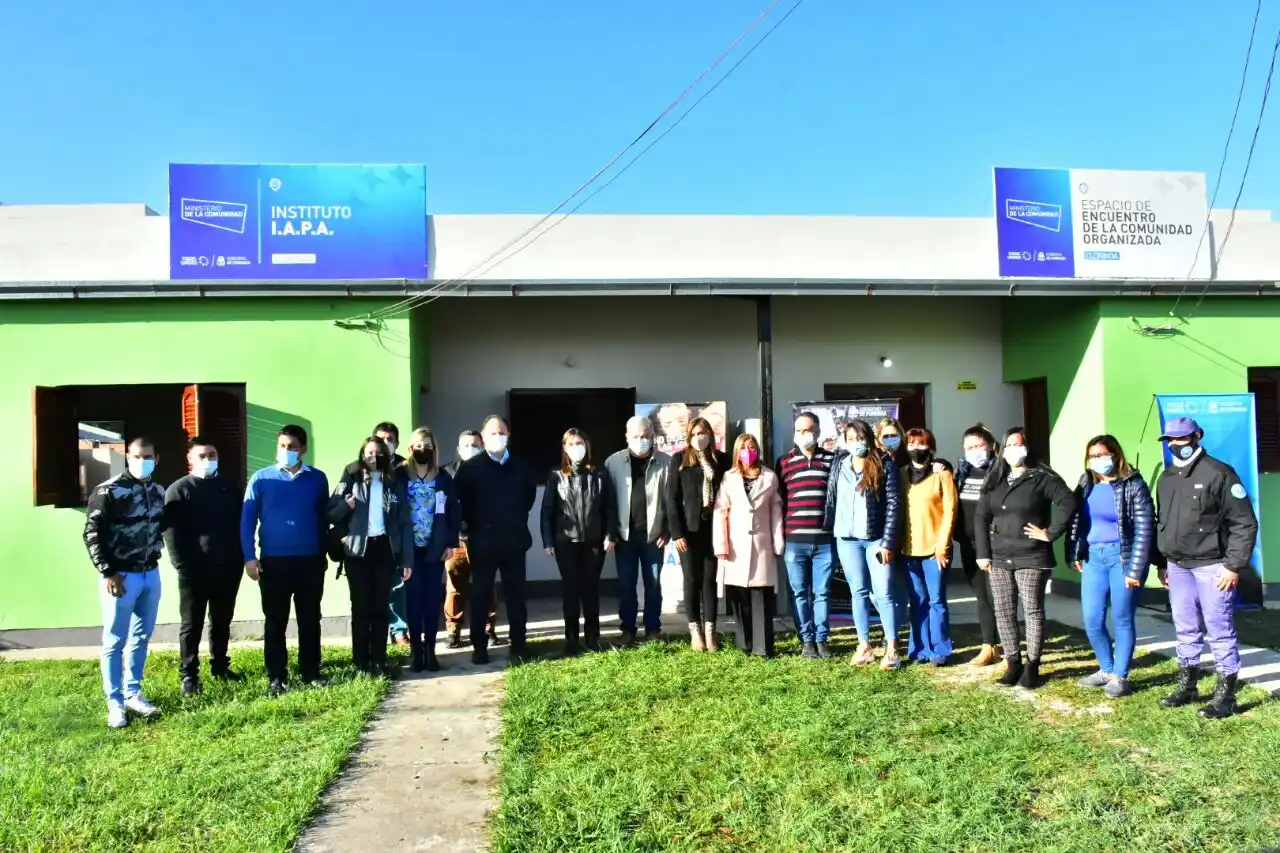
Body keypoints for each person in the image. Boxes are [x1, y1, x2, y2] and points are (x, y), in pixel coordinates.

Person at [1154, 417, 1259, 719]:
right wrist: (1162, 563)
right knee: (1185, 628)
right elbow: (1165, 524)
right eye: (1171, 440)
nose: (1177, 444)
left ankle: (1225, 695)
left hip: (1214, 566)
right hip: (1177, 566)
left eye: (1183, 439)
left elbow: (1244, 523)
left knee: (1220, 630)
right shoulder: (1167, 476)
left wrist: (1233, 565)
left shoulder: (1220, 474)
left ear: (1198, 436)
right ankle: (1188, 685)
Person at [974, 428, 1077, 690]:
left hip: (1031, 554)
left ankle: (1032, 665)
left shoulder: (1042, 478)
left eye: (1018, 444)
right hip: (999, 556)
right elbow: (981, 516)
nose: (1013, 449)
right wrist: (983, 553)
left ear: (1027, 447)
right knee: (1004, 612)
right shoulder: (995, 478)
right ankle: (1013, 663)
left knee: (1032, 611)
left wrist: (1051, 533)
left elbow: (1068, 502)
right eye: (1009, 445)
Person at [241, 424, 330, 696]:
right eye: (282, 446)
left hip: (310, 561)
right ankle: (276, 676)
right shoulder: (261, 479)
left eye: (292, 447)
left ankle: (311, 671)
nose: (286, 451)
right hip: (274, 562)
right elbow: (247, 521)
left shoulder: (317, 479)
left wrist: (324, 552)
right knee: (275, 621)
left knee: (309, 618)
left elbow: (324, 517)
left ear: (303, 449)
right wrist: (249, 558)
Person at [84, 436, 166, 728]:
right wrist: (107, 571)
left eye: (147, 456)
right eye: (135, 456)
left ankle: (133, 693)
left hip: (150, 573)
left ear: (156, 459)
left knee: (141, 637)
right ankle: (115, 701)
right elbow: (92, 533)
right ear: (127, 457)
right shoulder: (109, 491)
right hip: (120, 576)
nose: (141, 461)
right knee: (115, 640)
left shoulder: (158, 491)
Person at [1065, 435, 1154, 699]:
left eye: (1102, 454)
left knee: (1122, 618)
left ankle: (1120, 676)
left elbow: (1144, 528)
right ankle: (1105, 668)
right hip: (1094, 557)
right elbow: (1075, 521)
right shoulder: (1086, 484)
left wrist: (1135, 569)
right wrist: (1074, 552)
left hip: (1122, 557)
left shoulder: (1133, 484)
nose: (1098, 460)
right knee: (1092, 618)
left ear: (1115, 454)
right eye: (1092, 456)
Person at [163, 436, 245, 697]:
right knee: (192, 624)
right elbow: (171, 533)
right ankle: (189, 675)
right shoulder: (178, 490)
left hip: (228, 567)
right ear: (190, 459)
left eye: (212, 454)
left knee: (221, 620)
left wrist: (240, 558)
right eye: (202, 456)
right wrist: (181, 565)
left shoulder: (229, 487)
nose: (208, 460)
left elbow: (240, 525)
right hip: (194, 571)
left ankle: (220, 666)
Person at [454, 415, 538, 664]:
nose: (497, 437)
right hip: (483, 542)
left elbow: (528, 499)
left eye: (501, 432)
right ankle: (479, 647)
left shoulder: (521, 466)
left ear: (509, 435)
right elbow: (461, 504)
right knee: (480, 596)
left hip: (514, 541)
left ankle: (519, 644)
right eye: (492, 433)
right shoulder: (470, 468)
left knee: (516, 596)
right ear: (483, 436)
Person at [329, 437, 415, 677]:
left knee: (380, 607)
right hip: (357, 551)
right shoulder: (351, 478)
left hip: (384, 550)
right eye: (369, 452)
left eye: (378, 452)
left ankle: (379, 660)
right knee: (361, 607)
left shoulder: (394, 482)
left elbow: (405, 523)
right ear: (361, 455)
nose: (373, 456)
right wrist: (346, 507)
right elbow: (331, 512)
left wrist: (407, 559)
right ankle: (360, 662)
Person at [824, 419, 903, 669]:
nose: (857, 443)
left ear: (869, 438)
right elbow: (831, 500)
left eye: (861, 438)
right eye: (852, 439)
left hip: (876, 540)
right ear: (845, 442)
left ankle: (892, 648)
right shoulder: (839, 464)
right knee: (857, 592)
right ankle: (864, 645)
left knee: (883, 593)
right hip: (846, 539)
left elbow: (894, 504)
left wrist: (888, 542)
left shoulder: (884, 463)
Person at [540, 429, 615, 654]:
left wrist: (610, 534)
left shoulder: (599, 473)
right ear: (564, 447)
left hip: (594, 542)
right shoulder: (556, 474)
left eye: (580, 442)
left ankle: (592, 637)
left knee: (591, 590)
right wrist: (547, 541)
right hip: (566, 543)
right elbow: (548, 510)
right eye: (571, 443)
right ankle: (571, 638)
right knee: (571, 591)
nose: (576, 447)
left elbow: (610, 507)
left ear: (587, 445)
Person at [714, 433, 784, 658]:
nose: (747, 450)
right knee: (739, 596)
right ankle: (744, 643)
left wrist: (778, 540)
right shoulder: (728, 478)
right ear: (737, 451)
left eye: (751, 446)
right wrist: (721, 544)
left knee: (760, 596)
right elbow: (720, 512)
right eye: (743, 447)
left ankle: (763, 647)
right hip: (735, 546)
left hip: (761, 543)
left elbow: (776, 510)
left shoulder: (770, 477)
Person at [603, 416, 670, 644]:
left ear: (653, 437)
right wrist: (611, 533)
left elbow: (673, 500)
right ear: (626, 437)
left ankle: (653, 629)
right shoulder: (612, 463)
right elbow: (607, 503)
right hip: (625, 537)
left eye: (645, 436)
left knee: (653, 584)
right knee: (626, 584)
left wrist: (667, 529)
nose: (640, 440)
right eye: (635, 437)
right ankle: (627, 630)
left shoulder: (666, 462)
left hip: (654, 535)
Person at [665, 417, 730, 651]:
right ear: (688, 436)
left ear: (710, 435)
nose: (699, 438)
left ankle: (711, 631)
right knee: (691, 579)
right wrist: (677, 533)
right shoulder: (679, 460)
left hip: (714, 528)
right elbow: (671, 499)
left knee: (709, 580)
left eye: (703, 433)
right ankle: (695, 631)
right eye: (694, 434)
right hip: (689, 531)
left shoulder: (722, 460)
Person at [777, 411, 838, 659]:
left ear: (818, 431)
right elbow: (778, 500)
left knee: (822, 593)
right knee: (799, 593)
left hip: (824, 541)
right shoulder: (784, 462)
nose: (803, 435)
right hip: (795, 542)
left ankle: (822, 639)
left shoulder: (832, 460)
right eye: (799, 431)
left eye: (808, 430)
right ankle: (806, 640)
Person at [402, 427, 460, 672]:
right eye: (418, 446)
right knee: (413, 600)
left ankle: (430, 650)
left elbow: (453, 513)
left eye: (427, 446)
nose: (422, 450)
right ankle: (416, 650)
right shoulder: (400, 476)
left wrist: (449, 543)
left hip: (434, 549)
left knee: (431, 601)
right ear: (410, 449)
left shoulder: (443, 478)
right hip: (409, 550)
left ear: (434, 450)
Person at [899, 428, 958, 667]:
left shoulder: (941, 474)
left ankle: (940, 649)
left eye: (921, 444)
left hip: (936, 550)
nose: (916, 448)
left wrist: (942, 545)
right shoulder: (901, 474)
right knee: (918, 600)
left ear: (931, 447)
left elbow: (950, 511)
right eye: (911, 444)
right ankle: (919, 649)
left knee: (937, 601)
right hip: (908, 549)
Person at [443, 430, 500, 648]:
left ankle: (489, 629)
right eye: (465, 445)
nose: (470, 449)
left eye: (475, 445)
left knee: (487, 586)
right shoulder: (447, 473)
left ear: (482, 446)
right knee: (455, 587)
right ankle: (453, 632)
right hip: (457, 539)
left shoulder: (492, 470)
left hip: (484, 537)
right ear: (458, 449)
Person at [952, 425, 1003, 667]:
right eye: (969, 447)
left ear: (991, 446)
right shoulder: (963, 471)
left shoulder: (1001, 470)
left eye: (979, 445)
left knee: (1000, 597)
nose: (974, 451)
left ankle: (1007, 647)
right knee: (981, 595)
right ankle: (988, 646)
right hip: (969, 544)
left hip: (995, 544)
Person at [375, 422, 410, 648]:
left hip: (397, 536)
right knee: (376, 588)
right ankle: (377, 632)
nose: (387, 443)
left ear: (397, 442)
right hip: (372, 537)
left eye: (391, 439)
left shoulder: (404, 468)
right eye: (382, 439)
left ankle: (399, 631)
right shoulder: (359, 467)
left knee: (398, 587)